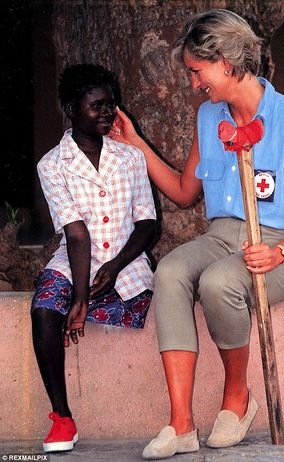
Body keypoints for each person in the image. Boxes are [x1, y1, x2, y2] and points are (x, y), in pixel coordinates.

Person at [109, 8, 284, 460]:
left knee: (219, 281)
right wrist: (136, 145)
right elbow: (186, 192)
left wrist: (278, 252)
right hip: (220, 236)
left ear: (225, 61)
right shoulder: (210, 118)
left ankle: (236, 398)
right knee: (169, 271)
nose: (193, 84)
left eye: (196, 71)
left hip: (282, 247)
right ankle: (181, 423)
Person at [31, 63, 157, 453]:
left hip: (125, 262)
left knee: (120, 298)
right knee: (44, 309)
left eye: (111, 104)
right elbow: (76, 234)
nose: (107, 112)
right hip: (75, 260)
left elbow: (149, 226)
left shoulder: (130, 158)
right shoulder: (52, 165)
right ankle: (62, 418)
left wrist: (115, 265)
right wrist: (80, 296)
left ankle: (86, 301)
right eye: (96, 105)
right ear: (71, 107)